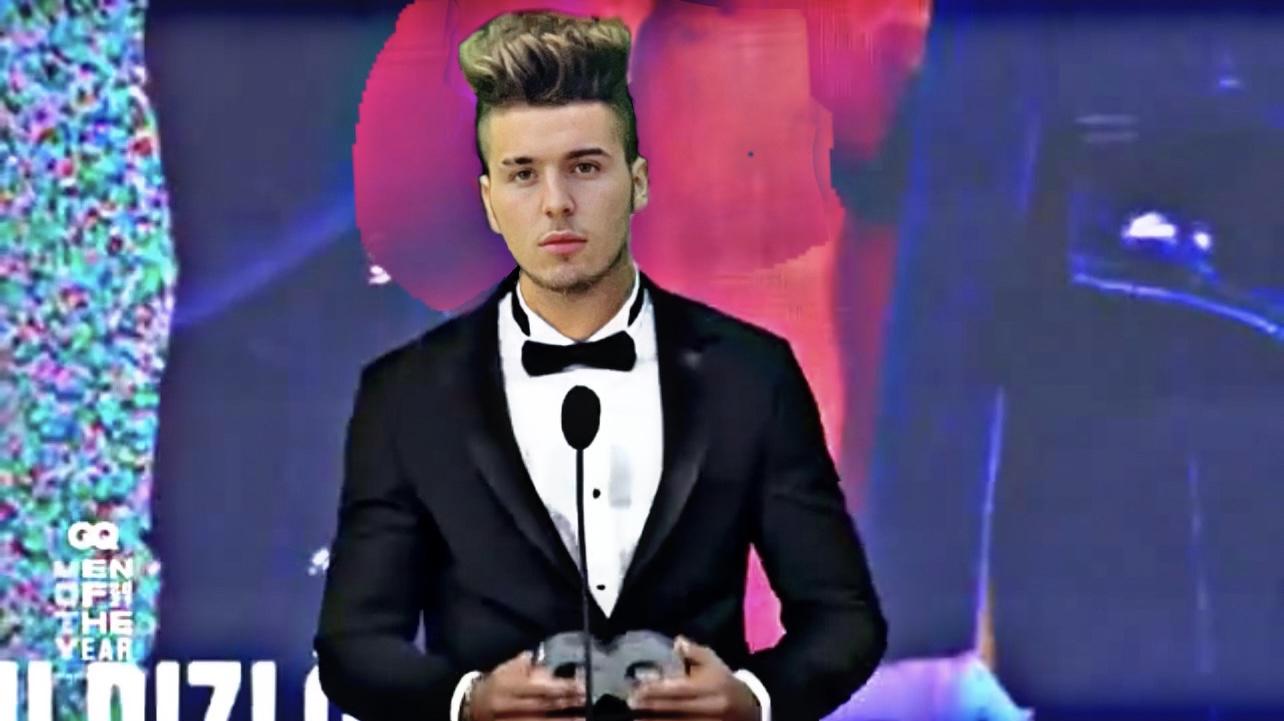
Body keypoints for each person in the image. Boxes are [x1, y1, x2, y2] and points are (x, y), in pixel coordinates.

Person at [314, 10, 886, 721]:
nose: (557, 203)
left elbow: (843, 619)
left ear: (637, 181)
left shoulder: (751, 374)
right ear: (489, 200)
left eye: (584, 167)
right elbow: (354, 644)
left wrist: (752, 696)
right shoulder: (406, 394)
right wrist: (466, 701)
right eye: (523, 174)